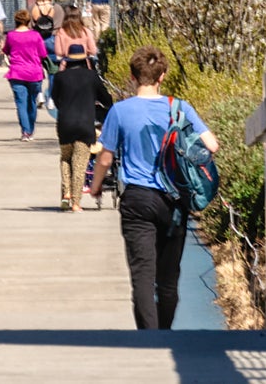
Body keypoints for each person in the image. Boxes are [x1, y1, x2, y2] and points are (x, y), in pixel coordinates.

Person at [87, 45, 220, 329]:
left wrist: (96, 186)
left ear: (133, 76)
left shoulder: (120, 112)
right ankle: (166, 333)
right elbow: (212, 145)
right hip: (174, 201)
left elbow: (105, 157)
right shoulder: (179, 108)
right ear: (163, 76)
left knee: (143, 277)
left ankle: (149, 339)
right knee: (169, 278)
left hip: (137, 200)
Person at [51, 43, 111, 211]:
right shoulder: (91, 76)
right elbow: (105, 98)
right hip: (85, 125)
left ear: (67, 60)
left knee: (65, 158)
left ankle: (66, 193)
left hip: (65, 124)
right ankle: (76, 203)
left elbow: (55, 100)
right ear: (85, 60)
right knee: (80, 163)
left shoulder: (60, 77)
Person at [2, 9, 50, 140]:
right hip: (34, 73)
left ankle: (25, 131)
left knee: (21, 103)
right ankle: (31, 129)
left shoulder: (11, 36)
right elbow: (43, 54)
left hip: (17, 73)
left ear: (16, 21)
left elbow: (6, 50)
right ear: (29, 21)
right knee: (32, 102)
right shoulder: (36, 36)